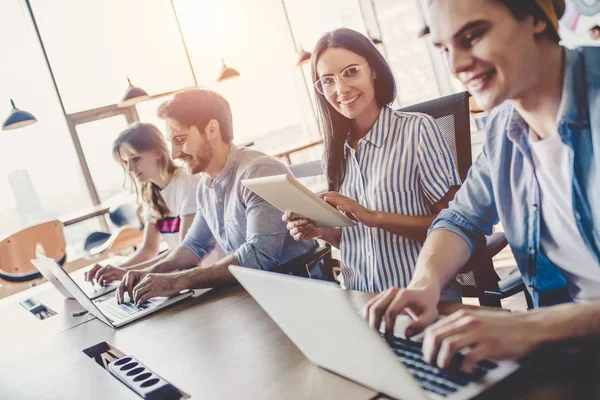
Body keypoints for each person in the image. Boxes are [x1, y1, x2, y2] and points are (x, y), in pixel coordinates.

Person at [364, 0, 600, 374]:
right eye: (444, 49)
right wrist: (425, 285)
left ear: (536, 18)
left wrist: (531, 327)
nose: (457, 66)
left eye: (472, 36)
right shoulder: (504, 128)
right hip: (569, 354)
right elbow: (460, 219)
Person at [284, 28, 460, 294]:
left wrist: (374, 217)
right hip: (361, 302)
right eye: (328, 80)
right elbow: (357, 241)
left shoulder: (417, 130)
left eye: (351, 72)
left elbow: (455, 227)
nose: (341, 89)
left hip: (418, 300)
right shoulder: (334, 153)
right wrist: (320, 230)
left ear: (374, 70)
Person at [116, 88, 317, 305]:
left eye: (180, 139)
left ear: (212, 129)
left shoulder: (259, 171)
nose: (174, 154)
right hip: (257, 296)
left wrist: (177, 280)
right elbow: (193, 245)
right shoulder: (205, 186)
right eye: (171, 142)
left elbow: (259, 257)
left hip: (299, 295)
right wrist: (149, 273)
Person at [85, 122, 224, 285]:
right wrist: (112, 271)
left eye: (135, 158)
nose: (130, 168)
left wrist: (127, 273)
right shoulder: (151, 193)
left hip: (209, 278)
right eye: (125, 162)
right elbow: (149, 250)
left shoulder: (189, 184)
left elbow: (184, 252)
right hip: (183, 279)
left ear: (158, 152)